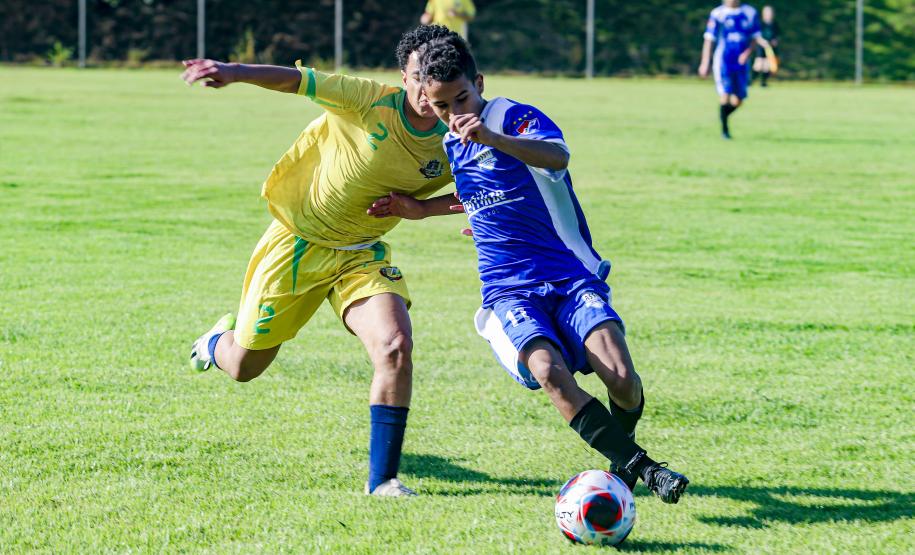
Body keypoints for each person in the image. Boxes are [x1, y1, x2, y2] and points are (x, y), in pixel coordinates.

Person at [369, 34, 690, 505]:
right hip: (509, 288)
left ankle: (622, 463)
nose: (453, 111)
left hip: (568, 273)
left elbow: (557, 158)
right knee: (548, 370)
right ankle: (641, 470)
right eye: (440, 106)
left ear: (479, 83)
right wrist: (424, 210)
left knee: (621, 376)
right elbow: (482, 194)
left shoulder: (513, 117)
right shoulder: (450, 144)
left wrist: (493, 137)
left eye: (461, 98)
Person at [181, 25, 463, 497]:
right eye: (415, 78)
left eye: (433, 82)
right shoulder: (369, 99)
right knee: (244, 366)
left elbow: (484, 192)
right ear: (404, 75)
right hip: (298, 243)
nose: (424, 92)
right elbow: (298, 81)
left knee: (394, 346)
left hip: (362, 253)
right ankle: (215, 342)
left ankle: (384, 481)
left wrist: (422, 209)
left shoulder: (461, 131)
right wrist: (233, 71)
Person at [698, 0, 773, 139]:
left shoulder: (749, 13)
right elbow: (709, 39)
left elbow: (755, 38)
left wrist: (747, 53)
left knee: (738, 100)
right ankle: (725, 130)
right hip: (723, 60)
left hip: (742, 62)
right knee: (725, 94)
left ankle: (723, 116)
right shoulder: (718, 13)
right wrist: (705, 62)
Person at [752, 5, 780, 87]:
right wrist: (762, 42)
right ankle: (750, 81)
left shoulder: (775, 24)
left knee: (767, 66)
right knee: (758, 65)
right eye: (767, 12)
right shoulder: (760, 24)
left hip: (771, 48)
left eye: (770, 12)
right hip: (761, 47)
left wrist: (775, 41)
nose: (769, 14)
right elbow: (756, 36)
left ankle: (763, 82)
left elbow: (778, 36)